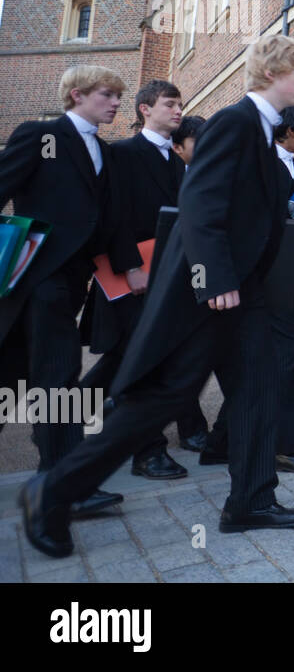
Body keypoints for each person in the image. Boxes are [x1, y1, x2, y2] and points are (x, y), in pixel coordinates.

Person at [18, 34, 294, 559]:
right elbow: (199, 206)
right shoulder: (236, 122)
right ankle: (54, 489)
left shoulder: (260, 131)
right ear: (272, 73)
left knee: (257, 387)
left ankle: (250, 499)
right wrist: (215, 279)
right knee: (164, 396)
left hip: (241, 293)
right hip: (210, 294)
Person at [0, 64, 136, 517]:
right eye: (106, 94)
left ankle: (57, 477)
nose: (116, 103)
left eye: (118, 96)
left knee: (15, 375)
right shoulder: (40, 136)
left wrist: (129, 272)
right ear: (76, 95)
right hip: (37, 278)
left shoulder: (106, 152)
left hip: (70, 283)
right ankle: (64, 484)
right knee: (60, 376)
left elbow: (111, 221)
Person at [80, 79, 205, 478]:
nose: (178, 110)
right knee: (146, 361)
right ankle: (147, 453)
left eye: (181, 104)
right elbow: (111, 215)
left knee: (127, 361)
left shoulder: (179, 162)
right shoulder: (122, 154)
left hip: (170, 276)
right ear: (145, 109)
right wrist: (130, 267)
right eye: (170, 103)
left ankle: (62, 419)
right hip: (131, 276)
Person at [203, 103, 294, 471]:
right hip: (261, 276)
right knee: (286, 354)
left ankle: (222, 442)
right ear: (289, 131)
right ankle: (286, 446)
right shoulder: (260, 162)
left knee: (269, 359)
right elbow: (258, 218)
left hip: (292, 275)